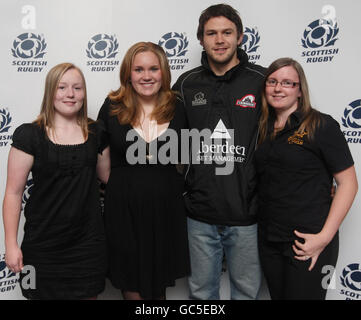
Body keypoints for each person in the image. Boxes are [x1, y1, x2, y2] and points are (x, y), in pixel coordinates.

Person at [172, 4, 264, 300]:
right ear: (201, 39)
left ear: (240, 37)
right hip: (199, 214)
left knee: (247, 293)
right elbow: (168, 142)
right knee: (201, 294)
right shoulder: (186, 84)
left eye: (227, 32)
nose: (220, 39)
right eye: (212, 33)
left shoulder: (262, 81)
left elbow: (285, 136)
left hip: (248, 212)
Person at [255, 57, 358, 300]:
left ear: (300, 90)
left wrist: (323, 238)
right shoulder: (263, 127)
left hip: (308, 242)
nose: (278, 88)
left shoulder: (321, 125)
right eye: (272, 81)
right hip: (270, 239)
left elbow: (348, 183)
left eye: (287, 83)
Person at [2, 63, 108, 300]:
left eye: (77, 88)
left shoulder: (96, 132)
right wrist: (10, 244)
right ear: (51, 92)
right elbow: (13, 193)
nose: (70, 94)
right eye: (62, 87)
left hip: (87, 245)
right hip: (41, 246)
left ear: (84, 93)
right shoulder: (29, 134)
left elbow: (109, 178)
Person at [97, 42, 189, 300]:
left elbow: (191, 156)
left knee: (158, 283)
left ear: (164, 72)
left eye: (153, 69)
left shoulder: (177, 106)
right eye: (138, 69)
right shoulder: (112, 106)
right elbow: (102, 165)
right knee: (132, 283)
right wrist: (129, 187)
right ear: (128, 73)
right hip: (123, 209)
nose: (146, 76)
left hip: (165, 210)